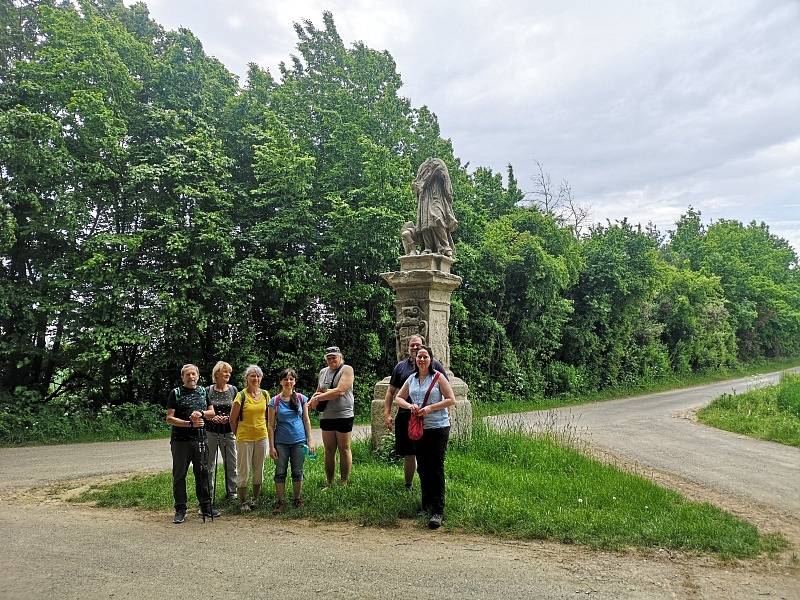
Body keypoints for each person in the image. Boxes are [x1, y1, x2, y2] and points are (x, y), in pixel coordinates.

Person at [395, 345, 455, 529]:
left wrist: (431, 407)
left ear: (431, 360)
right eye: (419, 357)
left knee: (436, 467)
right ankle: (426, 504)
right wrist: (409, 406)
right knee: (422, 467)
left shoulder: (438, 377)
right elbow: (399, 397)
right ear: (415, 359)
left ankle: (438, 510)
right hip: (419, 429)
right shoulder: (411, 379)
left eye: (425, 357)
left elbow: (451, 399)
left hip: (437, 427)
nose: (421, 360)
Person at [383, 335, 448, 490]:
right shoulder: (400, 367)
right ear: (407, 347)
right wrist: (387, 414)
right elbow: (391, 392)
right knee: (409, 452)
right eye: (412, 345)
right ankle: (409, 484)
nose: (415, 348)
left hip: (428, 418)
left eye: (418, 345)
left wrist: (446, 414)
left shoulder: (435, 365)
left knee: (430, 455)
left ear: (424, 346)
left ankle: (434, 485)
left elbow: (447, 393)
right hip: (406, 416)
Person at [165, 363, 219, 524]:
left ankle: (205, 506)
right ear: (182, 377)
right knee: (179, 474)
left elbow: (212, 413)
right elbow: (169, 418)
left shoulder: (203, 391)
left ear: (198, 376)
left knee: (202, 472)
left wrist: (201, 413)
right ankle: (180, 509)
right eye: (187, 375)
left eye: (193, 374)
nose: (191, 377)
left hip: (201, 438)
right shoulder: (176, 393)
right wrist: (189, 423)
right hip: (180, 441)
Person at [268, 368, 314, 513]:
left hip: (299, 441)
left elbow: (306, 420)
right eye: (285, 379)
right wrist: (271, 446)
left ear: (295, 381)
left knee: (297, 471)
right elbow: (270, 425)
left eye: (291, 379)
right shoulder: (274, 401)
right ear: (281, 382)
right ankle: (280, 502)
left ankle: (297, 498)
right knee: (280, 472)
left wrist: (310, 440)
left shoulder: (301, 399)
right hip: (281, 443)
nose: (288, 382)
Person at [308, 346, 355, 487]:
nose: (331, 360)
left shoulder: (347, 369)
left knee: (344, 448)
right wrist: (310, 403)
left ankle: (344, 482)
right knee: (329, 450)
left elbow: (340, 391)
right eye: (328, 358)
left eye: (334, 357)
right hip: (327, 415)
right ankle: (329, 482)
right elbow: (318, 391)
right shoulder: (323, 372)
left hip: (343, 415)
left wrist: (319, 397)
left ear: (340, 357)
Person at [229, 364, 269, 512]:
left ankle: (256, 499)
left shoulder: (265, 394)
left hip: (261, 437)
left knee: (259, 469)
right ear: (246, 378)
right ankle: (243, 501)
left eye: (258, 375)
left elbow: (268, 418)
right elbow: (232, 420)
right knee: (243, 470)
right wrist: (238, 434)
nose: (256, 378)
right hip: (244, 438)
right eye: (252, 375)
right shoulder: (241, 395)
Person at [204, 361, 238, 503]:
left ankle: (232, 493)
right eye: (225, 372)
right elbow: (203, 411)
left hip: (229, 432)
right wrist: (212, 418)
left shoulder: (233, 390)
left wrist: (229, 418)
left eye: (229, 372)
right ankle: (208, 496)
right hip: (211, 432)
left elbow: (238, 410)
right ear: (217, 373)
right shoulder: (207, 390)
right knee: (209, 465)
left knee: (231, 463)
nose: (228, 374)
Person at [410, 157, 458, 256]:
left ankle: (445, 245)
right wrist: (418, 187)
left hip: (437, 196)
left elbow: (445, 178)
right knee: (425, 223)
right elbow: (417, 184)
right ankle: (428, 247)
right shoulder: (422, 169)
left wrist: (434, 173)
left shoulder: (439, 164)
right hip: (425, 198)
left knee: (438, 218)